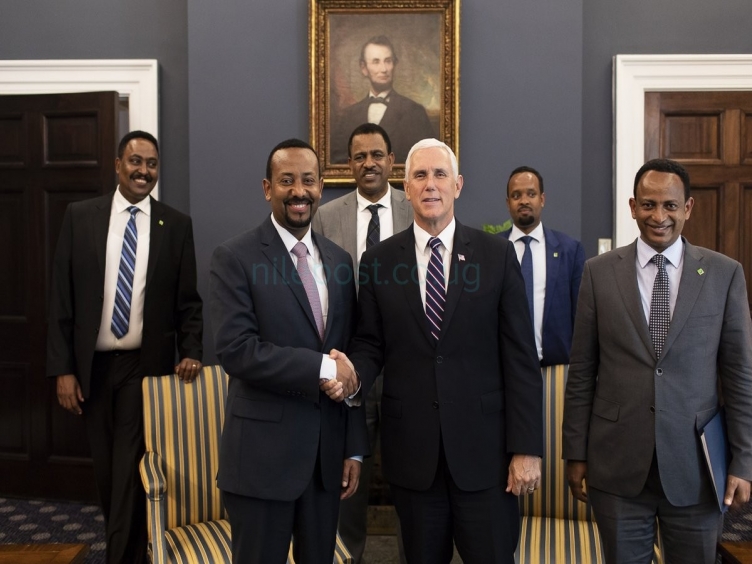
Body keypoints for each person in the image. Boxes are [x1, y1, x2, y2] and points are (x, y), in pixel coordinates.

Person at [332, 138, 543, 563]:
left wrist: (527, 448)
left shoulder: (497, 256)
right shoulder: (378, 261)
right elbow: (370, 344)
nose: (431, 184)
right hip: (414, 458)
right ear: (406, 188)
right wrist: (350, 375)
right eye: (420, 175)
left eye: (440, 174)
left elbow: (521, 359)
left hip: (485, 457)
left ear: (458, 185)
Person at [562, 158, 752, 564]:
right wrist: (575, 454)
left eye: (670, 205)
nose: (659, 216)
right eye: (648, 205)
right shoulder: (598, 273)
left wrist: (744, 461)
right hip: (617, 468)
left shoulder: (724, 275)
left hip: (696, 471)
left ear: (688, 208)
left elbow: (740, 378)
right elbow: (582, 372)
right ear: (633, 207)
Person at [47, 130, 203, 564]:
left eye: (152, 164)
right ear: (118, 165)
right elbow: (61, 298)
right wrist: (62, 368)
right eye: (136, 161)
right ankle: (134, 549)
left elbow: (188, 301)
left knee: (130, 465)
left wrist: (191, 350)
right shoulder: (81, 216)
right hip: (91, 368)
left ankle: (120, 557)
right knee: (106, 468)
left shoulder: (175, 225)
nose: (143, 171)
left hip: (143, 366)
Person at [209, 138, 368, 563]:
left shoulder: (339, 261)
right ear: (268, 188)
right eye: (287, 181)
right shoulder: (235, 257)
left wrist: (352, 447)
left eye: (309, 181)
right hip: (261, 462)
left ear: (321, 188)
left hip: (325, 464)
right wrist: (322, 368)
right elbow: (236, 350)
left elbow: (347, 356)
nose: (299, 191)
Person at [312, 123, 412, 564]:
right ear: (349, 164)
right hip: (348, 369)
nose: (368, 163)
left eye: (376, 155)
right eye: (359, 156)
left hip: (409, 368)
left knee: (414, 479)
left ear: (391, 161)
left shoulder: (416, 207)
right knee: (346, 478)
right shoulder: (325, 216)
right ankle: (347, 556)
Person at [500, 166, 585, 365]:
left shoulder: (570, 251)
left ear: (542, 199)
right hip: (505, 368)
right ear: (508, 203)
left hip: (556, 367)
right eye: (516, 195)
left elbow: (581, 317)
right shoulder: (492, 249)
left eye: (531, 194)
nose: (524, 201)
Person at [332, 35, 435, 164]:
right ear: (364, 68)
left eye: (388, 61)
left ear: (394, 65)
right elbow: (337, 162)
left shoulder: (414, 112)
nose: (384, 69)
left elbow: (427, 160)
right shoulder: (349, 116)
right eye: (376, 62)